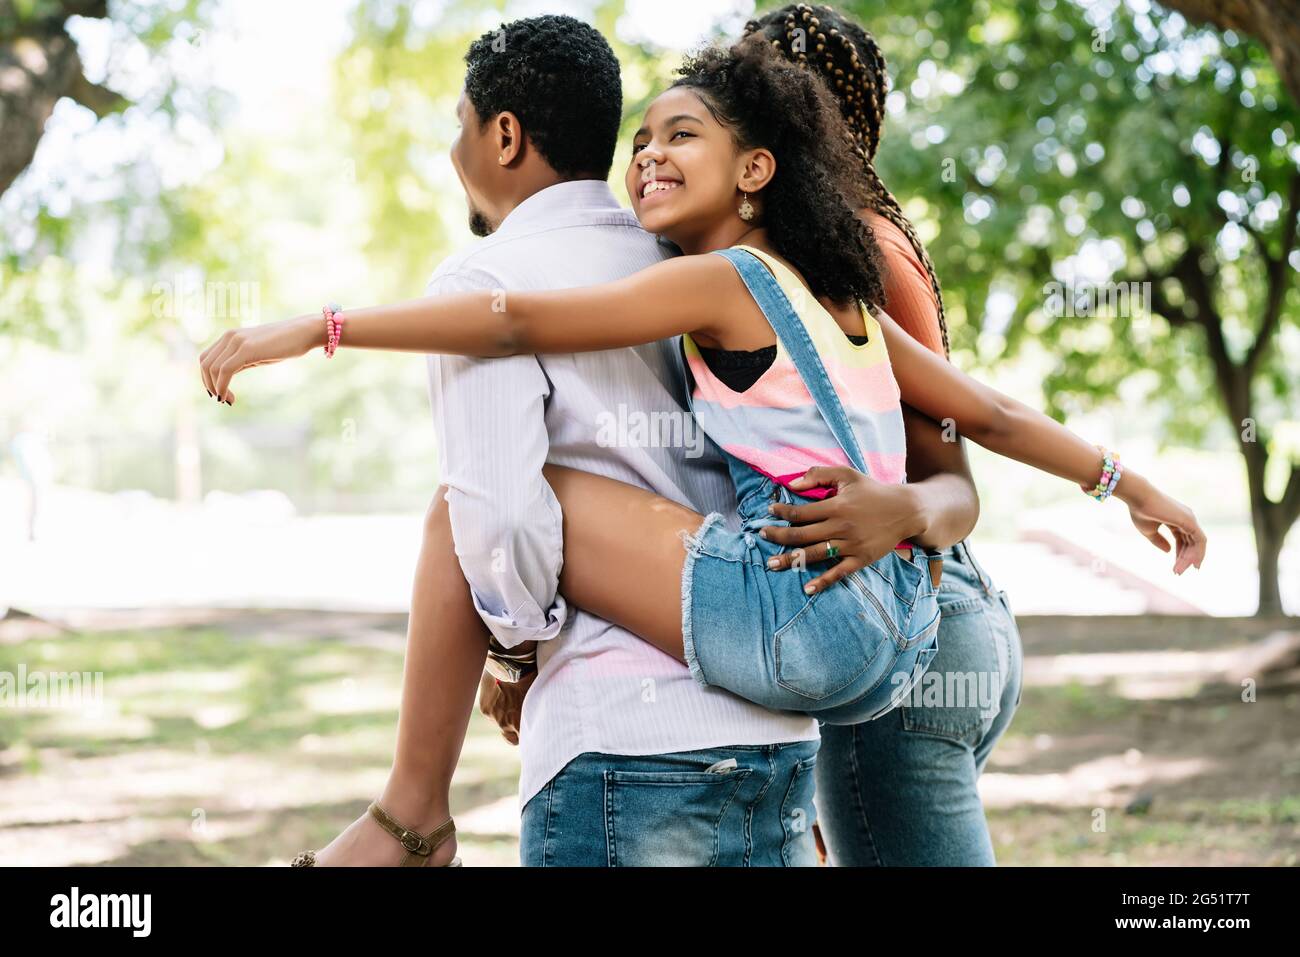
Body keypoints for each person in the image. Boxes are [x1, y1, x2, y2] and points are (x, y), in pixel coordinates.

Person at [200, 35, 1206, 866]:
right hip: (886, 631)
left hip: (795, 616)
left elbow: (510, 324)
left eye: (681, 135)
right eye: (640, 140)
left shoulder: (727, 279)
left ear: (756, 169)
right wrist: (1125, 483)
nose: (647, 156)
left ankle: (410, 817)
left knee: (474, 502)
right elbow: (985, 412)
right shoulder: (836, 295)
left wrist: (320, 328)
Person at [746, 1, 1027, 866]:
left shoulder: (855, 248)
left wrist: (896, 511)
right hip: (934, 631)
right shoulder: (823, 239)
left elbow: (956, 483)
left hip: (918, 641)